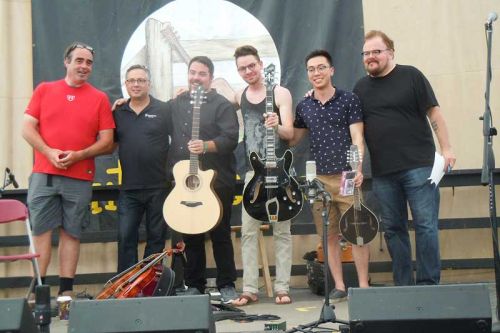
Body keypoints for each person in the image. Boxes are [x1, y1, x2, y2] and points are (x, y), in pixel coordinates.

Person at [353, 30, 456, 286]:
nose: (371, 57)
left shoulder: (412, 76)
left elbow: (435, 114)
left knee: (425, 227)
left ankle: (428, 285)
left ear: (390, 52)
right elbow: (355, 129)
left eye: (376, 51)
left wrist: (447, 149)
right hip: (383, 173)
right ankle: (403, 288)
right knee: (393, 230)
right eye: (366, 53)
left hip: (420, 167)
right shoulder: (360, 88)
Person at [22, 42, 115, 298]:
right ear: (67, 62)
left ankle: (65, 294)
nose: (84, 66)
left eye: (89, 62)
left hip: (79, 177)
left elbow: (107, 141)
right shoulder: (44, 90)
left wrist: (79, 155)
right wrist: (50, 152)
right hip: (44, 175)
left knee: (72, 234)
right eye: (79, 61)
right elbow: (27, 128)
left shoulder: (99, 98)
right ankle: (38, 295)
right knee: (41, 233)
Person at [291, 49, 370, 302]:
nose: (317, 73)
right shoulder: (304, 106)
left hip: (347, 176)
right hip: (319, 181)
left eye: (321, 67)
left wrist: (357, 169)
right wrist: (274, 123)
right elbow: (293, 138)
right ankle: (339, 286)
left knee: (358, 232)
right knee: (329, 235)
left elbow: (357, 137)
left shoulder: (349, 100)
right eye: (312, 69)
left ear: (331, 70)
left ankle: (363, 286)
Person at [166, 56, 239, 303]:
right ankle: (194, 284)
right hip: (186, 182)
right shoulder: (176, 103)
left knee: (220, 233)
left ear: (210, 77)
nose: (196, 77)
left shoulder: (222, 105)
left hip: (217, 181)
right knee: (191, 234)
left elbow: (230, 137)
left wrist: (206, 145)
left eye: (202, 73)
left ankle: (227, 283)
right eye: (193, 72)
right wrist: (125, 103)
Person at [231, 45, 294, 306]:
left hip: (280, 171)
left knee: (282, 230)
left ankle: (282, 288)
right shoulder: (239, 95)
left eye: (251, 66)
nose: (248, 71)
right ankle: (249, 288)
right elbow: (213, 105)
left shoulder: (280, 93)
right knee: (248, 231)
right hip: (252, 174)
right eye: (242, 68)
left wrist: (276, 125)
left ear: (260, 64)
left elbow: (290, 134)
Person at [113, 64, 171, 273]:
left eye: (141, 80)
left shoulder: (164, 109)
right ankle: (127, 287)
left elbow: (180, 140)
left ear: (149, 84)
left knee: (156, 239)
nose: (136, 84)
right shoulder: (118, 111)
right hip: (129, 189)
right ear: (126, 84)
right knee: (126, 237)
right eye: (131, 81)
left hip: (159, 186)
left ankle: (150, 285)